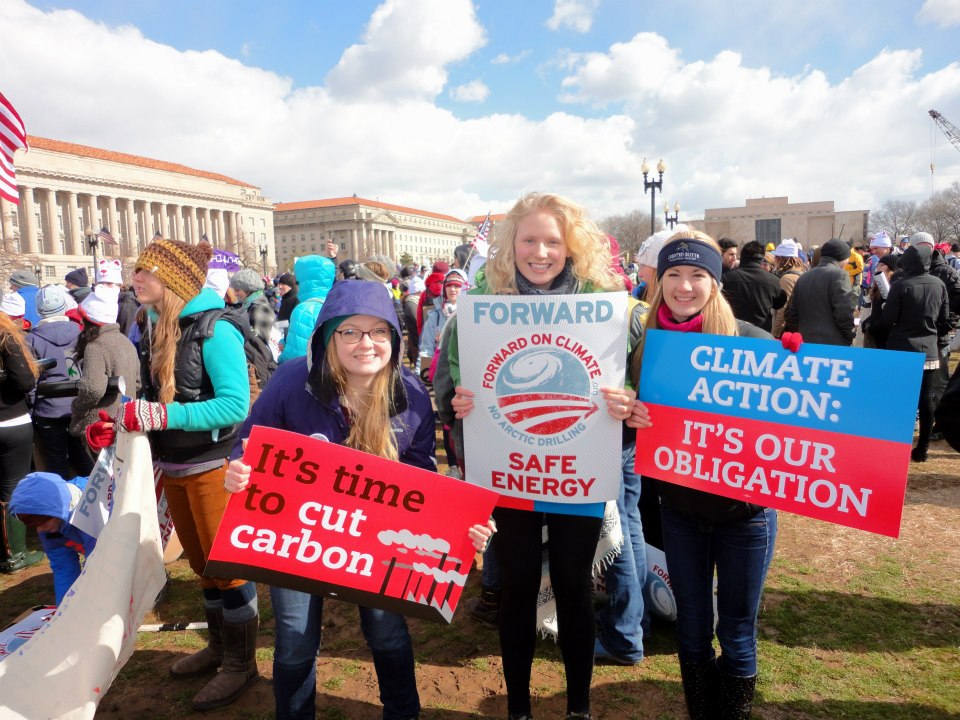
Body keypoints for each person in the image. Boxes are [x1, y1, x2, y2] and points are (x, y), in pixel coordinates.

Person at [223, 279, 492, 720]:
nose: (365, 343)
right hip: (296, 529)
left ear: (394, 337)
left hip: (375, 536)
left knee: (387, 631)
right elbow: (252, 439)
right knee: (294, 636)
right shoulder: (294, 379)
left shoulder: (412, 396)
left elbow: (423, 475)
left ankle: (402, 713)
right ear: (329, 335)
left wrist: (459, 523)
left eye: (378, 332)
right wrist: (239, 467)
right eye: (350, 332)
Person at [448, 192, 635, 720]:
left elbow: (635, 384)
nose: (540, 252)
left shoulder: (605, 302)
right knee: (518, 583)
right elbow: (454, 377)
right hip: (509, 465)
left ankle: (579, 707)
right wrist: (457, 399)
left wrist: (629, 400)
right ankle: (519, 708)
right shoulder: (481, 304)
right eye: (529, 240)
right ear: (511, 244)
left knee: (575, 584)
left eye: (552, 241)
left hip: (577, 463)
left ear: (570, 245)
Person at [91, 238, 255, 710]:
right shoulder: (158, 325)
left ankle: (241, 667)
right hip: (176, 465)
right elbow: (154, 399)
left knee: (228, 568)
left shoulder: (214, 330)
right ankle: (220, 650)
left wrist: (163, 418)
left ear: (175, 281)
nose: (133, 279)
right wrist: (117, 421)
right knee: (201, 564)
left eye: (145, 272)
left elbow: (234, 405)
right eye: (136, 271)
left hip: (214, 466)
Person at [626, 231, 778, 719]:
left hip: (745, 515)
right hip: (680, 512)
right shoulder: (648, 346)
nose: (684, 285)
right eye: (673, 274)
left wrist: (792, 368)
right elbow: (632, 425)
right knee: (691, 628)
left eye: (697, 275)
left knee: (736, 629)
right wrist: (631, 414)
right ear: (658, 282)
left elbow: (789, 429)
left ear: (715, 283)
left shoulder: (754, 342)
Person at [872, 243, 950, 462]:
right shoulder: (939, 285)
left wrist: (873, 328)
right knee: (926, 399)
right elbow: (944, 318)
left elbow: (888, 320)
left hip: (901, 348)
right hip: (929, 349)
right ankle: (922, 447)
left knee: (898, 399)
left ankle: (895, 448)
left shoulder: (902, 285)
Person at [27, 285, 91, 479]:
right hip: (77, 405)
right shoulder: (80, 332)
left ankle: (62, 504)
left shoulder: (31, 340)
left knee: (56, 461)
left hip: (47, 409)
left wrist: (31, 407)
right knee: (82, 457)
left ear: (39, 311)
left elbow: (31, 381)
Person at [0, 299, 43, 573]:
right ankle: (15, 555)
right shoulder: (5, 337)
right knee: (11, 487)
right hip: (11, 420)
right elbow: (26, 381)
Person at [9, 471, 96, 604]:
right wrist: (64, 609)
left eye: (42, 521)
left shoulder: (93, 514)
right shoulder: (48, 520)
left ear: (57, 508)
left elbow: (99, 566)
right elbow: (63, 567)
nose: (40, 529)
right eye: (31, 524)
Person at [68, 285, 141, 444]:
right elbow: (137, 382)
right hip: (123, 423)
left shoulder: (95, 346)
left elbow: (92, 388)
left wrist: (77, 408)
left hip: (100, 430)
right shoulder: (126, 342)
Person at [782, 238, 857, 346]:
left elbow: (792, 314)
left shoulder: (804, 277)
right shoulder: (840, 275)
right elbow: (844, 313)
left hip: (804, 343)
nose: (848, 262)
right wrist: (849, 336)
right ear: (841, 258)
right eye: (847, 258)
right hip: (833, 345)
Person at [277, 256, 337, 364]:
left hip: (312, 375)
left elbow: (295, 355)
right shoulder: (337, 303)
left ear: (303, 280)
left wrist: (281, 356)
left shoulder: (304, 310)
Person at [720, 241, 787, 333]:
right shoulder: (773, 280)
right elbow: (779, 303)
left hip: (734, 333)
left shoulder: (726, 278)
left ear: (742, 257)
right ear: (762, 259)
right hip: (761, 335)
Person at [419, 269, 466, 379]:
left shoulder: (472, 314)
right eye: (449, 285)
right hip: (441, 376)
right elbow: (426, 349)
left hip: (464, 375)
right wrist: (422, 378)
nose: (452, 289)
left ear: (464, 288)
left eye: (457, 285)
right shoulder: (434, 315)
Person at [770, 239, 805, 339]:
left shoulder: (787, 278)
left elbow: (783, 309)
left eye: (776, 257)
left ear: (781, 258)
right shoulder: (802, 272)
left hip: (787, 333)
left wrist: (775, 334)